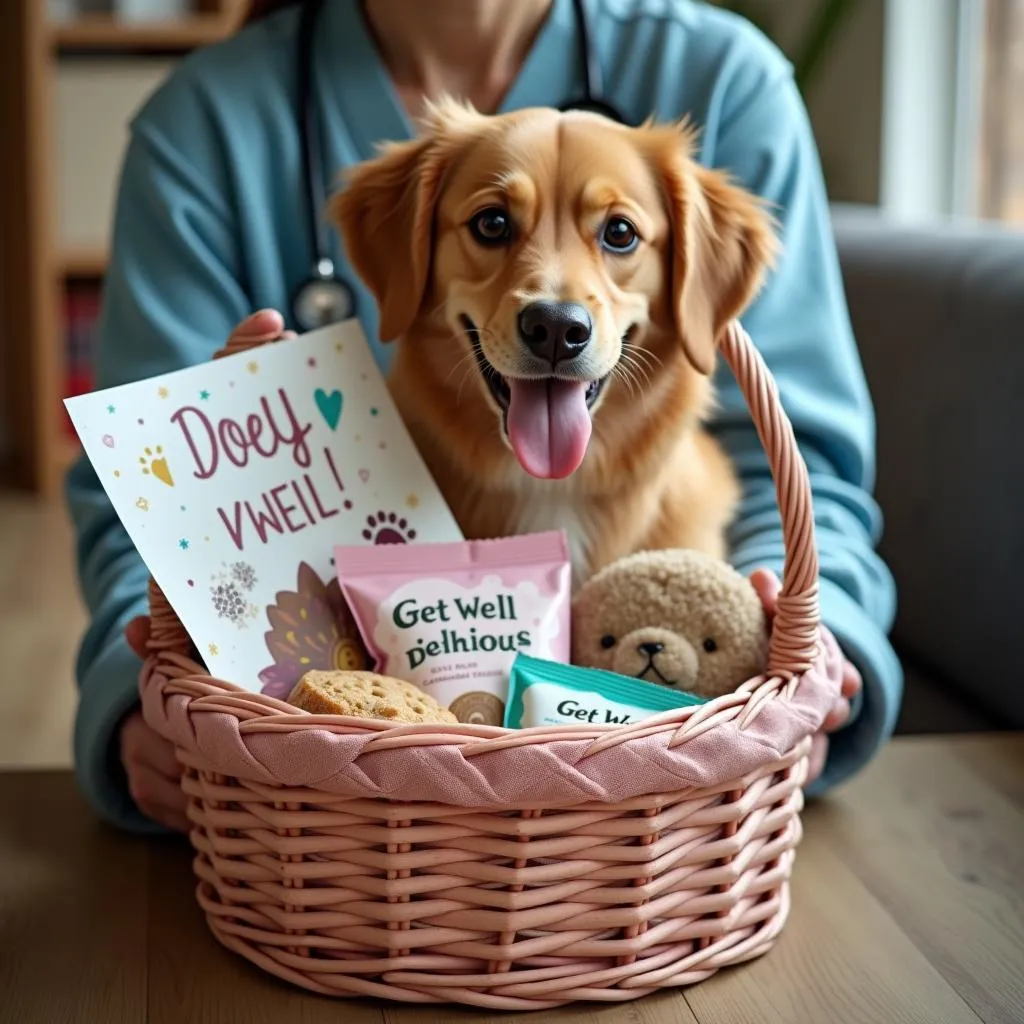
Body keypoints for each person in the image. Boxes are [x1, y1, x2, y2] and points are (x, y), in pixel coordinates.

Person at [65, 0, 902, 835]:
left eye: (618, 233)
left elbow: (798, 463)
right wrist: (138, 701)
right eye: (493, 225)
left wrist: (805, 642)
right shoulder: (204, 125)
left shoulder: (725, 80)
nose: (556, 308)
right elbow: (141, 492)